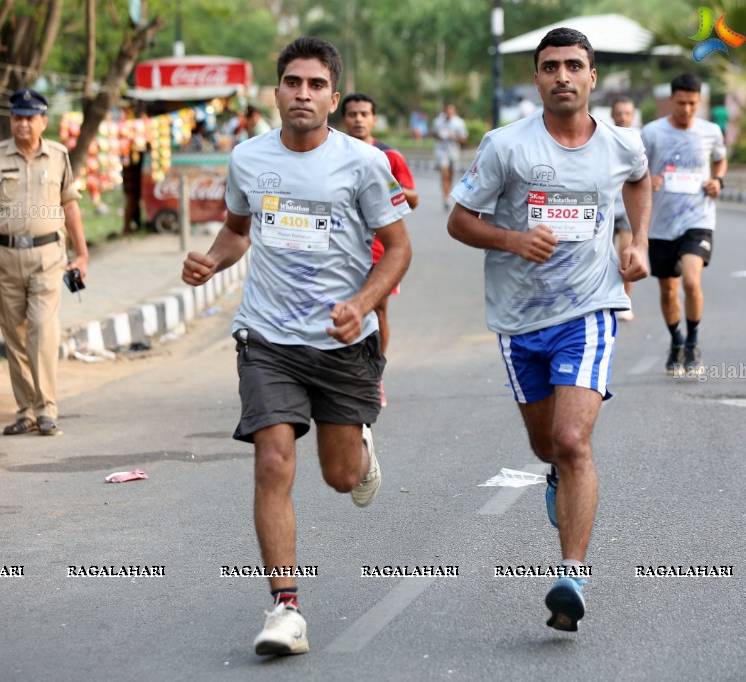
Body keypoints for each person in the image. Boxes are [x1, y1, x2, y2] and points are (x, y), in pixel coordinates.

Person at [181, 37, 412, 657]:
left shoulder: (364, 163)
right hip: (267, 337)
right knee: (274, 460)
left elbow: (399, 248)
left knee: (341, 478)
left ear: (334, 98)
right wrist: (211, 261)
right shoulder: (249, 158)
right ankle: (286, 607)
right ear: (276, 92)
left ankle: (361, 446)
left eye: (315, 85)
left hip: (342, 342)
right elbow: (237, 231)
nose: (302, 94)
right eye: (291, 82)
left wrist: (361, 305)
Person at [447, 27, 651, 633]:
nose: (562, 76)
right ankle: (558, 476)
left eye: (574, 66)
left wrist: (636, 242)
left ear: (592, 78)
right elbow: (459, 220)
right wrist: (511, 239)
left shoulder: (620, 143)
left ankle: (571, 574)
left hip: (589, 310)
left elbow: (639, 179)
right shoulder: (505, 146)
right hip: (518, 319)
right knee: (546, 448)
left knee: (571, 439)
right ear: (536, 79)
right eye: (550, 67)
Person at [0, 88, 89, 437]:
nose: (23, 124)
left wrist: (82, 254)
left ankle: (47, 407)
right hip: (3, 258)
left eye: (30, 118)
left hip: (48, 258)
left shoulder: (59, 156)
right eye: (17, 118)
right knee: (14, 336)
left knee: (42, 329)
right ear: (11, 121)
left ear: (43, 122)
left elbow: (70, 206)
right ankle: (26, 410)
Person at [641, 73, 727, 377]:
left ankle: (692, 341)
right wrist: (647, 180)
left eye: (692, 103)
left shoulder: (711, 131)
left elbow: (720, 159)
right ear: (671, 100)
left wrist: (718, 180)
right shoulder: (651, 133)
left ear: (699, 101)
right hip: (661, 224)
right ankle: (676, 340)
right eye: (681, 103)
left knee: (691, 281)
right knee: (668, 290)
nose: (687, 110)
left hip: (698, 219)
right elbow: (635, 170)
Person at [342, 92, 420, 405]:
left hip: (379, 250)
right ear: (343, 118)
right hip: (342, 249)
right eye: (352, 114)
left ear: (373, 119)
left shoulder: (389, 156)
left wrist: (379, 187)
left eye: (364, 114)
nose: (358, 119)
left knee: (378, 310)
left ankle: (375, 375)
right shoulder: (333, 153)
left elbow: (413, 198)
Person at [610, 96, 638, 322]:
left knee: (626, 256)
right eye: (619, 113)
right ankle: (604, 299)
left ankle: (625, 302)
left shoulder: (639, 139)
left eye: (627, 113)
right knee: (603, 257)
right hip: (608, 206)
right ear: (612, 114)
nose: (623, 117)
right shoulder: (603, 137)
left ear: (633, 115)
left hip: (628, 208)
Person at [431, 102, 468, 210]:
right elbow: (433, 133)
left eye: (451, 111)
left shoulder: (459, 122)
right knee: (444, 173)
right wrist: (439, 136)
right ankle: (445, 197)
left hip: (454, 151)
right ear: (444, 111)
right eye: (447, 111)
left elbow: (464, 139)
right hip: (442, 151)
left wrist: (454, 137)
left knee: (451, 174)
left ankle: (448, 193)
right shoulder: (438, 121)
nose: (448, 113)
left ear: (454, 111)